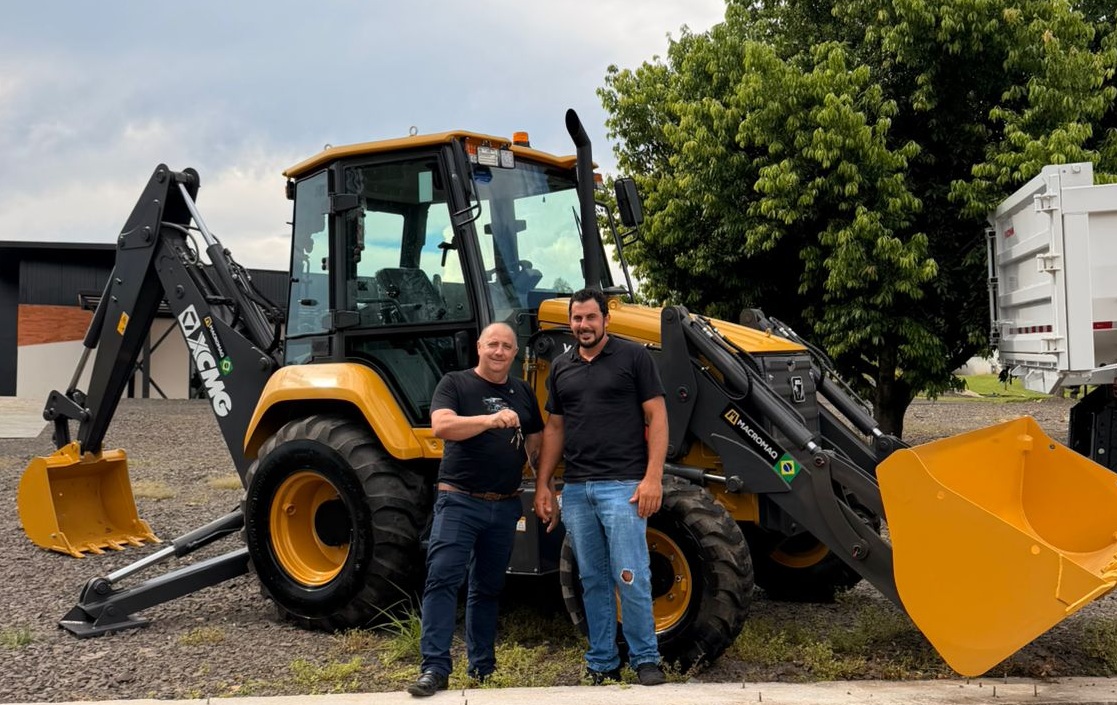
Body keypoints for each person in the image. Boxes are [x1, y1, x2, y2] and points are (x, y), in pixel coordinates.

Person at [532, 288, 669, 687]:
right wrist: (545, 484)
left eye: (591, 318)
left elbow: (657, 417)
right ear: (570, 322)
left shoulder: (633, 357)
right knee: (591, 577)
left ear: (606, 319)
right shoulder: (561, 367)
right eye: (577, 319)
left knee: (631, 574)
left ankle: (645, 658)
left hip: (623, 485)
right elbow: (555, 428)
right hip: (577, 489)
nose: (583, 326)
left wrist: (652, 478)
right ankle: (603, 660)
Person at [408, 322, 543, 697]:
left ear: (515, 354)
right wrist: (490, 420)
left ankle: (482, 667)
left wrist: (534, 460)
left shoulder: (522, 390)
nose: (499, 352)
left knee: (488, 587)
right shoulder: (455, 383)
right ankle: (434, 668)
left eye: (507, 347)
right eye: (493, 345)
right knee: (443, 579)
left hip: (503, 507)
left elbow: (535, 432)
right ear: (479, 347)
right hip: (459, 501)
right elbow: (441, 426)